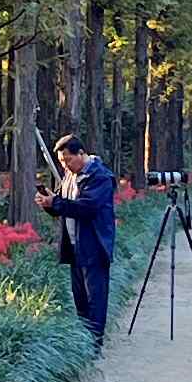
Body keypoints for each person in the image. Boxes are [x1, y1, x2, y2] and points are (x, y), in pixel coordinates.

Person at [44, 132, 120, 341]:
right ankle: (83, 340)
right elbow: (65, 204)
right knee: (80, 298)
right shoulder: (70, 176)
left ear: (81, 154)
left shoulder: (100, 176)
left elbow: (88, 207)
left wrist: (57, 204)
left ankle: (95, 342)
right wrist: (49, 204)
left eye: (68, 159)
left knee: (95, 297)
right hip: (74, 246)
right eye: (61, 162)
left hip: (94, 245)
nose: (65, 166)